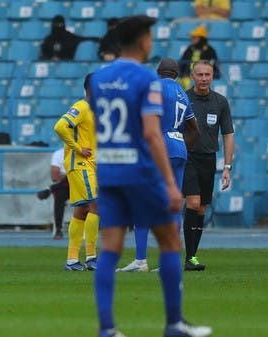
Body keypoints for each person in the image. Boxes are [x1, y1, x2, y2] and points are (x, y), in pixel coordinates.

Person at [89, 15, 211, 337]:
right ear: (144, 41)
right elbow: (152, 133)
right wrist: (170, 183)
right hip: (140, 170)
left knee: (110, 246)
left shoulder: (99, 79)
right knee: (170, 240)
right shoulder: (147, 81)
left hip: (109, 169)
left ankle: (107, 329)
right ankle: (174, 324)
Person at [117, 58, 200, 273]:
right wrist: (180, 145)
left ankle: (140, 261)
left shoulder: (155, 88)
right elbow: (195, 130)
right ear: (176, 72)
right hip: (179, 148)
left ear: (157, 72)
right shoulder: (183, 93)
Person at [183, 59, 234, 271]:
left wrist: (227, 167)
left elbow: (228, 135)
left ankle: (191, 257)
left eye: (208, 75)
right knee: (193, 203)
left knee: (202, 208)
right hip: (188, 158)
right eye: (200, 75)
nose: (204, 79)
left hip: (209, 159)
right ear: (192, 76)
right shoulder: (184, 99)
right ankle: (188, 257)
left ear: (213, 76)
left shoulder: (220, 102)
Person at [53, 73, 98, 271]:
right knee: (97, 206)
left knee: (81, 210)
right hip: (80, 164)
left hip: (91, 166)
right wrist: (78, 148)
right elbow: (60, 126)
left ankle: (72, 260)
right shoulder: (82, 106)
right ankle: (91, 257)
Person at [36, 148, 69, 240]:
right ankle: (59, 229)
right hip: (65, 187)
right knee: (59, 195)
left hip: (82, 186)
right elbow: (54, 177)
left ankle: (49, 190)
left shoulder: (84, 152)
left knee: (76, 175)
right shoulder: (59, 154)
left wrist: (65, 174)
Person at [178, 25, 220, 90]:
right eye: (192, 37)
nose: (192, 38)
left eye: (194, 37)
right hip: (187, 78)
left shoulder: (210, 50)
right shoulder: (189, 49)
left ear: (201, 38)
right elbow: (182, 64)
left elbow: (215, 68)